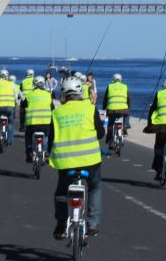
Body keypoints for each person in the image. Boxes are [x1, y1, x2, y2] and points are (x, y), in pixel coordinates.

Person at [48, 76, 104, 239]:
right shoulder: (90, 108)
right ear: (81, 92)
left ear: (63, 94)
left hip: (65, 161)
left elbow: (51, 139)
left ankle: (60, 225)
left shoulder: (56, 112)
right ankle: (92, 224)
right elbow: (101, 134)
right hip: (90, 160)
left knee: (61, 192)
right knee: (94, 187)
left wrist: (47, 153)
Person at [23, 76, 54, 161]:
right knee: (47, 136)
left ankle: (29, 152)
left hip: (32, 124)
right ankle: (46, 152)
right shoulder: (48, 95)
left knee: (28, 136)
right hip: (46, 124)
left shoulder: (29, 95)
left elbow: (23, 107)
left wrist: (23, 122)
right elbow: (53, 108)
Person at [103, 73, 130, 148]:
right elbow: (128, 98)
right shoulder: (125, 86)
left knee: (110, 125)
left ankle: (109, 140)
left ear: (113, 79)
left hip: (112, 110)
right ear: (121, 79)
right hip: (123, 109)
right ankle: (125, 126)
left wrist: (104, 107)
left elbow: (105, 98)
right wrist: (128, 106)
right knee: (127, 114)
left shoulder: (110, 86)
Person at [0, 69, 15, 146]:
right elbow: (15, 94)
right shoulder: (11, 84)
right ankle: (10, 141)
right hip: (9, 106)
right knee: (10, 123)